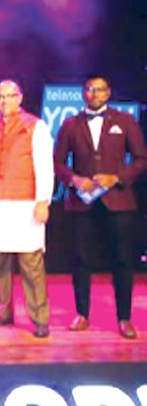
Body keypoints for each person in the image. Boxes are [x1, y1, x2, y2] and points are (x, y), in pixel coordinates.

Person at [54, 76, 147, 339]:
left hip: (117, 200)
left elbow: (141, 159)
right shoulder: (70, 124)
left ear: (108, 93)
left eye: (100, 89)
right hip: (82, 203)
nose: (94, 93)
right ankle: (82, 314)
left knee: (122, 260)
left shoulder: (125, 121)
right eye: (90, 89)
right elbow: (58, 162)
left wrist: (116, 177)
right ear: (83, 93)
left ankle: (124, 318)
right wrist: (74, 179)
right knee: (81, 260)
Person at [0, 79, 54, 338]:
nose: (4, 101)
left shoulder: (35, 126)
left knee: (31, 263)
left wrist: (43, 200)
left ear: (19, 98)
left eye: (9, 96)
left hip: (27, 204)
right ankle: (4, 311)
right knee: (0, 262)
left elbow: (44, 167)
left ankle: (39, 317)